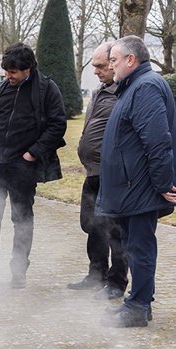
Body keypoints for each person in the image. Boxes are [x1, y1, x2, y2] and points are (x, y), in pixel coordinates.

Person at [0, 42, 66, 288]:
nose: (8, 75)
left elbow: (57, 125)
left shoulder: (46, 89)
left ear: (28, 69)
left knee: (22, 221)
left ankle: (18, 272)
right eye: (6, 71)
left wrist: (33, 153)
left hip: (23, 170)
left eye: (13, 72)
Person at [98, 35, 176, 328]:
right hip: (134, 187)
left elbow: (157, 142)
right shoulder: (133, 87)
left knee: (140, 248)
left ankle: (138, 307)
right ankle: (140, 303)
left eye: (114, 61)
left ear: (131, 60)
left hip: (140, 187)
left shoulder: (144, 88)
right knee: (135, 247)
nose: (111, 67)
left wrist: (163, 184)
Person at [66, 42, 128, 300]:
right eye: (94, 66)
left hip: (112, 175)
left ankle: (116, 281)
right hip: (92, 172)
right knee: (91, 224)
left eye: (101, 65)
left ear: (115, 63)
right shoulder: (100, 91)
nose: (96, 71)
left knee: (114, 229)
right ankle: (96, 275)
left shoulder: (124, 93)